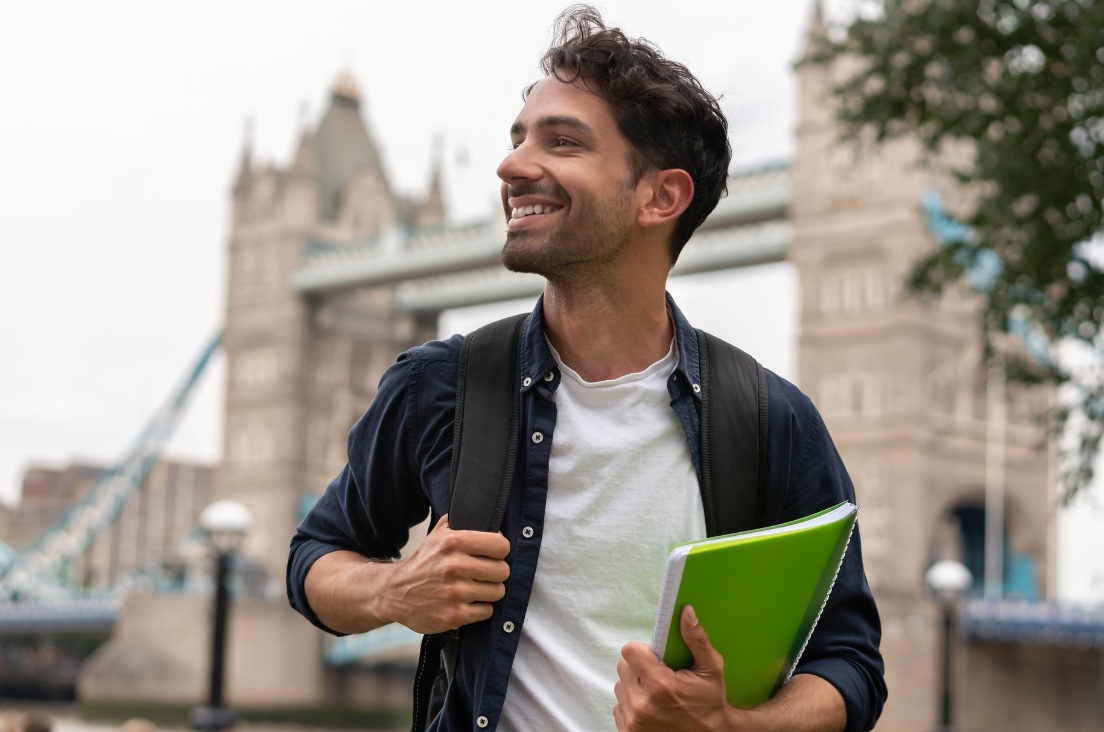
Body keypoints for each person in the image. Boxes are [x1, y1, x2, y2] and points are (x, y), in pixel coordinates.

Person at [287, 6, 886, 731]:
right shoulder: (439, 386)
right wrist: (392, 592)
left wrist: (732, 726)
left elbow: (849, 664)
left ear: (661, 197)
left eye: (562, 142)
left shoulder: (769, 417)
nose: (511, 166)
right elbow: (315, 556)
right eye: (517, 140)